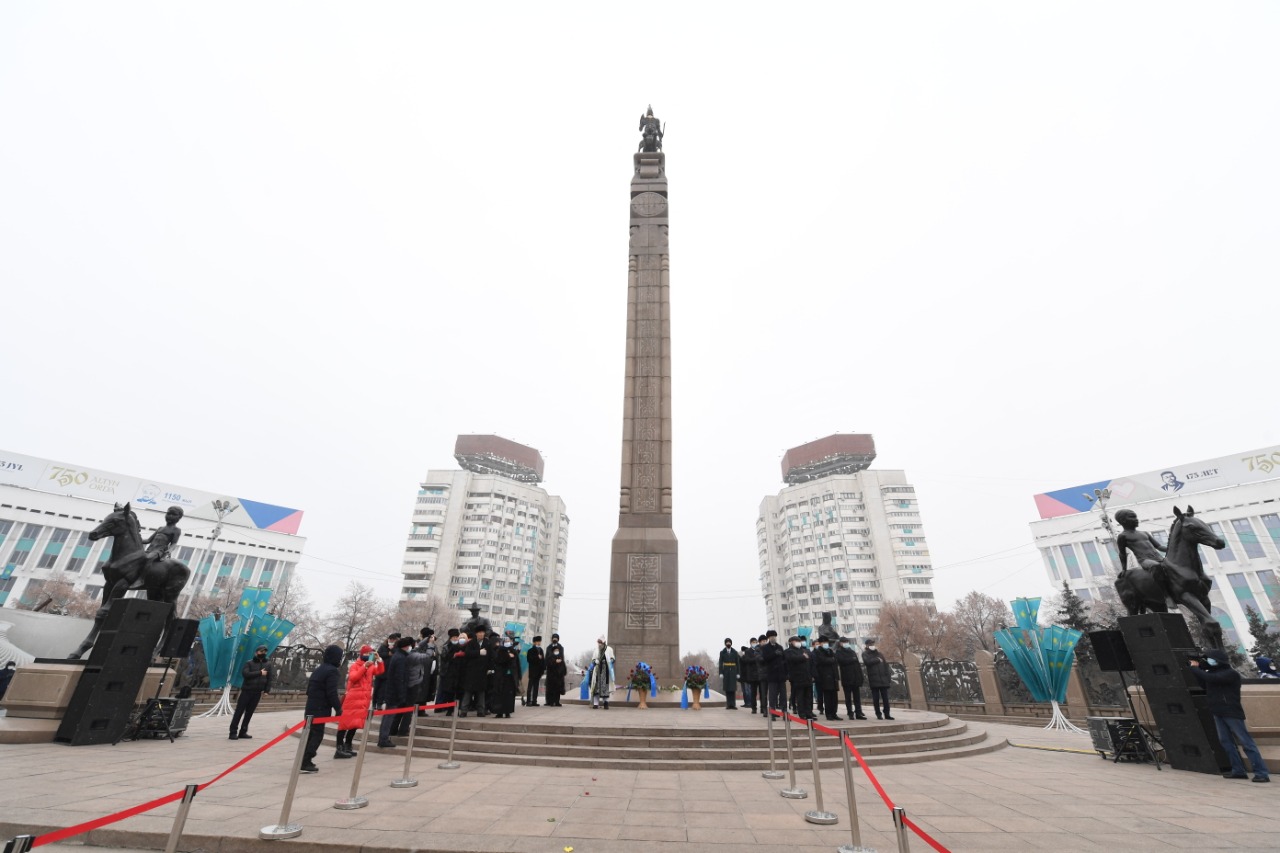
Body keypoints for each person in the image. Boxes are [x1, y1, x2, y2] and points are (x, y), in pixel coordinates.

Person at [1190, 649, 1270, 782]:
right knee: (1226, 742)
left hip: (1231, 711)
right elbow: (1204, 683)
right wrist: (1198, 671)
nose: (1209, 661)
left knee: (1246, 742)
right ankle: (1238, 770)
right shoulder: (1212, 673)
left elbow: (1212, 679)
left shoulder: (1230, 674)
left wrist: (1195, 669)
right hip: (1218, 711)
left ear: (1219, 660)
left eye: (1211, 658)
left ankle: (1261, 772)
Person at [301, 644, 344, 773]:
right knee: (317, 735)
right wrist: (338, 708)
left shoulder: (319, 669)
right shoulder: (332, 671)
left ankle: (302, 759)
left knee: (308, 734)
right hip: (320, 708)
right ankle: (306, 760)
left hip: (311, 706)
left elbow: (309, 690)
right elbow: (331, 692)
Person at [336, 644, 383, 758]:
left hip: (363, 700)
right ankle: (339, 748)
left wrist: (379, 660)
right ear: (361, 654)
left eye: (370, 654)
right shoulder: (355, 665)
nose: (368, 656)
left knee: (355, 724)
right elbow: (353, 677)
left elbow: (380, 671)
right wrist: (365, 666)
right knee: (344, 724)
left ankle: (348, 745)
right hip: (352, 699)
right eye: (367, 654)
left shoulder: (371, 666)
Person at [377, 636, 415, 746]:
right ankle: (383, 739)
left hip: (391, 691)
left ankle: (383, 738)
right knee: (389, 717)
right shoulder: (400, 658)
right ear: (406, 646)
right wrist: (401, 694)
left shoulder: (398, 655)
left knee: (388, 717)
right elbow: (399, 678)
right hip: (394, 693)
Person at [229, 644, 273, 740]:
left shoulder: (268, 664)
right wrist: (260, 673)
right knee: (239, 712)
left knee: (249, 713)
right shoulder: (249, 663)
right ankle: (233, 732)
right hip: (246, 691)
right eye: (261, 651)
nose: (263, 653)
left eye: (265, 651)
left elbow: (269, 678)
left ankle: (243, 731)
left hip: (257, 692)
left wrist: (266, 690)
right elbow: (246, 674)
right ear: (256, 652)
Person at [134, 505, 183, 589]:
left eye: (173, 514)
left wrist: (169, 550)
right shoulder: (160, 528)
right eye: (168, 513)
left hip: (159, 551)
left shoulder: (176, 530)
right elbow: (148, 540)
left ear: (179, 517)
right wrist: (135, 538)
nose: (170, 516)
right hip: (149, 549)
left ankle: (141, 580)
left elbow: (174, 543)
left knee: (148, 558)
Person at [458, 626, 491, 717]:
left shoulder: (487, 643)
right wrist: (478, 652)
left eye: (482, 632)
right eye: (479, 633)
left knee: (481, 692)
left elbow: (491, 656)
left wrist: (489, 668)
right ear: (476, 634)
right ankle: (464, 710)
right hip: (471, 671)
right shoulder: (471, 643)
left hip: (483, 671)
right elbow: (467, 653)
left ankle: (481, 710)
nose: (481, 634)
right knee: (468, 692)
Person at [835, 637, 867, 719]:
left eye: (847, 642)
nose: (846, 643)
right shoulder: (838, 652)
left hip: (856, 677)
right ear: (841, 643)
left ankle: (858, 712)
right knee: (848, 697)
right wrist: (851, 659)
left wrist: (860, 676)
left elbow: (857, 664)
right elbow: (841, 661)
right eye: (844, 642)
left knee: (857, 697)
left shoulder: (852, 651)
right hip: (847, 677)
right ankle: (850, 712)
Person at [784, 636, 815, 720]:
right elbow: (792, 659)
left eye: (799, 641)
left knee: (808, 697)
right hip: (797, 677)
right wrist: (803, 657)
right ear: (791, 642)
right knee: (800, 696)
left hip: (807, 676)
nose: (798, 642)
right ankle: (802, 713)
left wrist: (812, 675)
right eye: (796, 641)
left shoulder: (804, 650)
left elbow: (810, 661)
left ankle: (809, 713)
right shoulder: (789, 651)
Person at [491, 634, 522, 718]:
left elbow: (517, 664)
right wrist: (507, 656)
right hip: (501, 677)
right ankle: (499, 712)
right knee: (500, 695)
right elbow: (498, 661)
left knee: (509, 696)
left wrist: (518, 676)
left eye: (508, 641)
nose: (507, 643)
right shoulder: (499, 650)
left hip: (511, 677)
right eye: (505, 641)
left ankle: (508, 712)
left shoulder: (513, 651)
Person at [862, 639, 893, 720]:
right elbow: (867, 662)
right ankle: (878, 714)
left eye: (873, 643)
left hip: (883, 680)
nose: (872, 645)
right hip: (874, 679)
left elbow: (886, 666)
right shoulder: (865, 654)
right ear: (867, 645)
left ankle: (887, 714)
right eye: (870, 644)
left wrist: (888, 678)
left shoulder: (880, 654)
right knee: (876, 699)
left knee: (886, 699)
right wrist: (877, 660)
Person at [434, 628, 462, 714]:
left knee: (456, 692)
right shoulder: (446, 647)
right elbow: (444, 658)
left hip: (458, 672)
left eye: (456, 637)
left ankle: (454, 709)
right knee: (448, 691)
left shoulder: (461, 646)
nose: (455, 639)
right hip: (448, 672)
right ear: (450, 638)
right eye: (453, 637)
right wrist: (452, 656)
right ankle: (449, 709)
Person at [760, 630, 787, 717]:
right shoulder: (765, 648)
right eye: (771, 637)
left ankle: (784, 712)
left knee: (783, 695)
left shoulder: (780, 647)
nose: (773, 638)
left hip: (781, 675)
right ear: (768, 638)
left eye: (774, 636)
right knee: (772, 695)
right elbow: (765, 659)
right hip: (772, 674)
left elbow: (784, 659)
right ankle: (773, 712)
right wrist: (774, 654)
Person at [814, 636, 841, 721]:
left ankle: (834, 713)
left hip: (833, 677)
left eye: (826, 642)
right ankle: (828, 714)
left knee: (834, 697)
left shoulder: (830, 651)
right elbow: (823, 660)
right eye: (824, 642)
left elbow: (835, 660)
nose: (826, 644)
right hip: (825, 677)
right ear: (821, 643)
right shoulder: (818, 651)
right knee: (827, 697)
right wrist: (831, 659)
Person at [373, 632, 400, 709]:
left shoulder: (396, 647)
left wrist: (393, 650)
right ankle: (374, 703)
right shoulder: (383, 646)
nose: (391, 641)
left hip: (388, 671)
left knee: (383, 689)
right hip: (380, 670)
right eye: (390, 640)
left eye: (393, 640)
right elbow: (378, 655)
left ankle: (379, 703)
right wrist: (388, 653)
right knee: (376, 688)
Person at [588, 636, 615, 710]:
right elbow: (593, 660)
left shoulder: (609, 649)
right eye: (598, 643)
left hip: (605, 671)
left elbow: (613, 659)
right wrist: (595, 661)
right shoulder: (596, 650)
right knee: (596, 688)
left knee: (605, 688)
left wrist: (609, 661)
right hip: (597, 671)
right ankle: (596, 703)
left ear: (604, 643)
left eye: (600, 643)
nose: (599, 644)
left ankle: (606, 703)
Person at [544, 633, 567, 706]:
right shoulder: (549, 648)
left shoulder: (560, 647)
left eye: (556, 638)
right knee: (550, 686)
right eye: (553, 638)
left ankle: (557, 701)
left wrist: (559, 661)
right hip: (550, 670)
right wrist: (554, 661)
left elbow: (561, 657)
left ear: (558, 639)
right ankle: (549, 701)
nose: (555, 639)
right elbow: (547, 658)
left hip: (558, 670)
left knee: (557, 686)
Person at [718, 638, 740, 710]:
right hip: (726, 671)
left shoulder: (735, 652)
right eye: (727, 642)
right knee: (727, 688)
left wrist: (738, 673)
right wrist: (721, 672)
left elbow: (738, 663)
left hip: (733, 670)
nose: (728, 644)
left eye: (729, 642)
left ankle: (733, 704)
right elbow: (721, 663)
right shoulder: (722, 652)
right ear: (725, 644)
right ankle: (728, 704)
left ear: (731, 643)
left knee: (733, 688)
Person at [740, 639, 761, 714]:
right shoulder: (748, 651)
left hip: (760, 674)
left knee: (762, 692)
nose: (754, 644)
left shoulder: (760, 650)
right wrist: (757, 659)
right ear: (751, 643)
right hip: (752, 675)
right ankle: (753, 707)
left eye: (755, 642)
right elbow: (747, 660)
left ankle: (762, 708)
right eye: (753, 642)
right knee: (753, 692)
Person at [525, 635, 545, 706]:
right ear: (534, 642)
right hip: (533, 671)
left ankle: (534, 701)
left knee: (536, 687)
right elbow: (529, 659)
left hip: (538, 672)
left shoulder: (541, 650)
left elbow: (543, 661)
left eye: (539, 642)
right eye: (537, 642)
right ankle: (528, 701)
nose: (539, 643)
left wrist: (543, 669)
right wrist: (537, 657)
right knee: (530, 686)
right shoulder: (530, 650)